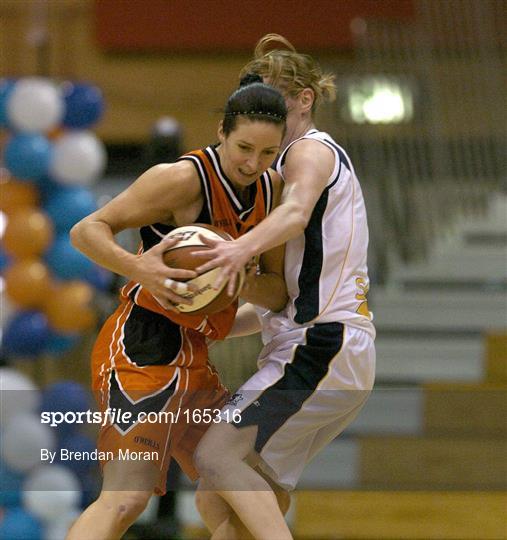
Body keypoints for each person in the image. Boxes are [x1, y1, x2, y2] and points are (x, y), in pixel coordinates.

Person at [66, 79, 289, 540]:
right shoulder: (182, 179)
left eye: (268, 153)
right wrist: (138, 268)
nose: (253, 163)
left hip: (196, 353)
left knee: (257, 488)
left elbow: (278, 293)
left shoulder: (273, 192)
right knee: (126, 499)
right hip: (140, 349)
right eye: (244, 147)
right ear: (221, 132)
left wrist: (238, 277)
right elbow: (86, 230)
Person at [193, 34, 376, 540]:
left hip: (320, 345)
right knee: (223, 497)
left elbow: (295, 216)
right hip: (323, 346)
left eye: (276, 99)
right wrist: (207, 328)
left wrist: (237, 250)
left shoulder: (308, 152)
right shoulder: (282, 165)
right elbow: (284, 301)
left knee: (215, 453)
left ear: (303, 98)